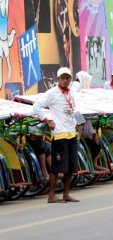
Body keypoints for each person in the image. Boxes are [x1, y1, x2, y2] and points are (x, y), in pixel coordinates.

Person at [33, 67, 80, 203]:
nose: (65, 80)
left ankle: (66, 194)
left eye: (67, 78)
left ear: (70, 79)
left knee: (71, 167)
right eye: (63, 78)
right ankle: (52, 195)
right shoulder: (52, 93)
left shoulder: (70, 94)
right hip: (59, 135)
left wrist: (76, 122)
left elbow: (72, 110)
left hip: (71, 133)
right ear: (58, 79)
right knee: (56, 167)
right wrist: (47, 120)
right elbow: (36, 106)